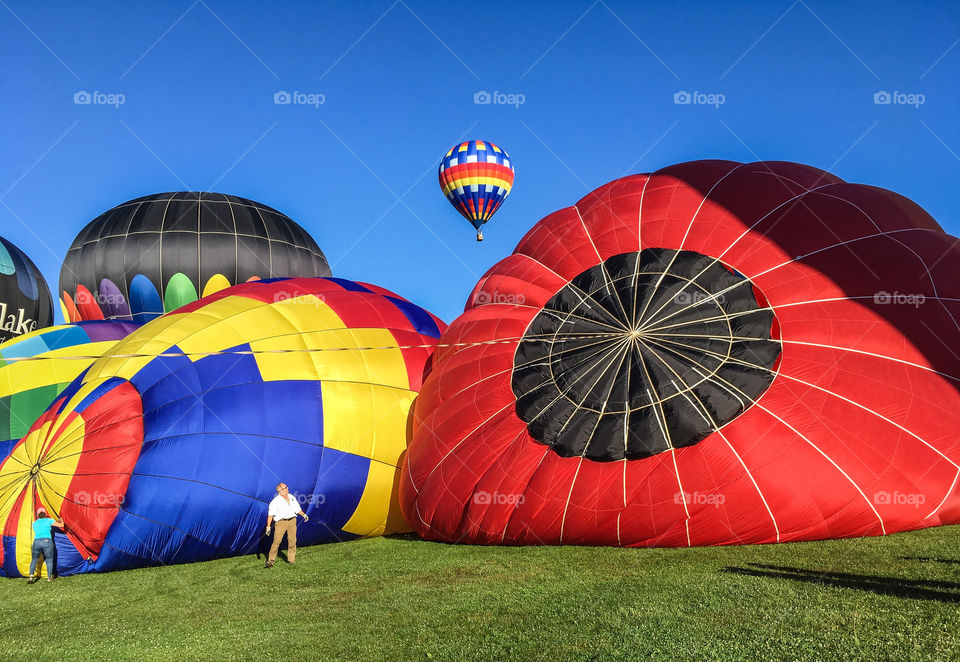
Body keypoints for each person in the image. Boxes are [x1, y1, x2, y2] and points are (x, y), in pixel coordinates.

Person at [264, 483, 308, 568]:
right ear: (280, 491)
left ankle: (291, 559)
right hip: (281, 523)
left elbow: (297, 508)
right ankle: (271, 560)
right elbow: (270, 515)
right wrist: (268, 526)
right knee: (277, 541)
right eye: (285, 488)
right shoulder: (275, 501)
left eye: (287, 487)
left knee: (292, 540)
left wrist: (303, 514)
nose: (287, 488)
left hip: (292, 521)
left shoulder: (291, 497)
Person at [28, 507, 63, 584]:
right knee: (49, 560)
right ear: (45, 514)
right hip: (47, 541)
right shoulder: (49, 520)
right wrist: (61, 520)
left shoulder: (34, 523)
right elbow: (61, 525)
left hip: (36, 542)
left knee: (34, 560)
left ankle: (30, 577)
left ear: (38, 515)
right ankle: (49, 577)